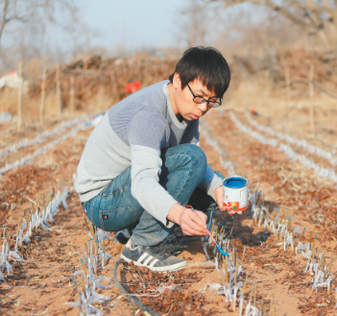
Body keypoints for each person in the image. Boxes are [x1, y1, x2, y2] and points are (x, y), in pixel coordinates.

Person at [75, 46, 235, 272]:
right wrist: (179, 214)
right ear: (178, 80)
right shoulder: (150, 115)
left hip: (124, 189)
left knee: (211, 192)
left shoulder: (186, 107)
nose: (202, 108)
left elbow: (191, 165)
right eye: (199, 97)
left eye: (211, 101)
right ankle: (141, 246)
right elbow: (143, 181)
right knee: (193, 161)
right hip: (102, 203)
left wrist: (218, 188)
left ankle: (131, 230)